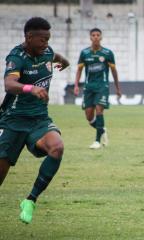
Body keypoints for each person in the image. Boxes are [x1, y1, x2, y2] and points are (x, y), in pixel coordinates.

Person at [0, 17, 69, 224]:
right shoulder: (17, 57)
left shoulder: (46, 52)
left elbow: (54, 56)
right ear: (29, 37)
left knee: (57, 148)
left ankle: (30, 200)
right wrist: (31, 88)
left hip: (39, 120)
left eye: (48, 39)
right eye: (42, 39)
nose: (46, 43)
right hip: (13, 121)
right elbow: (9, 84)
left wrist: (63, 62)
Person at [74, 28, 121, 149]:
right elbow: (79, 70)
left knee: (99, 110)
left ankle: (97, 141)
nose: (95, 37)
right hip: (88, 87)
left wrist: (117, 88)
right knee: (89, 116)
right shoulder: (84, 53)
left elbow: (114, 71)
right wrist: (76, 85)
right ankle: (102, 130)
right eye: (93, 35)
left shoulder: (107, 53)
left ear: (101, 37)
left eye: (98, 35)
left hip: (102, 86)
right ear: (90, 37)